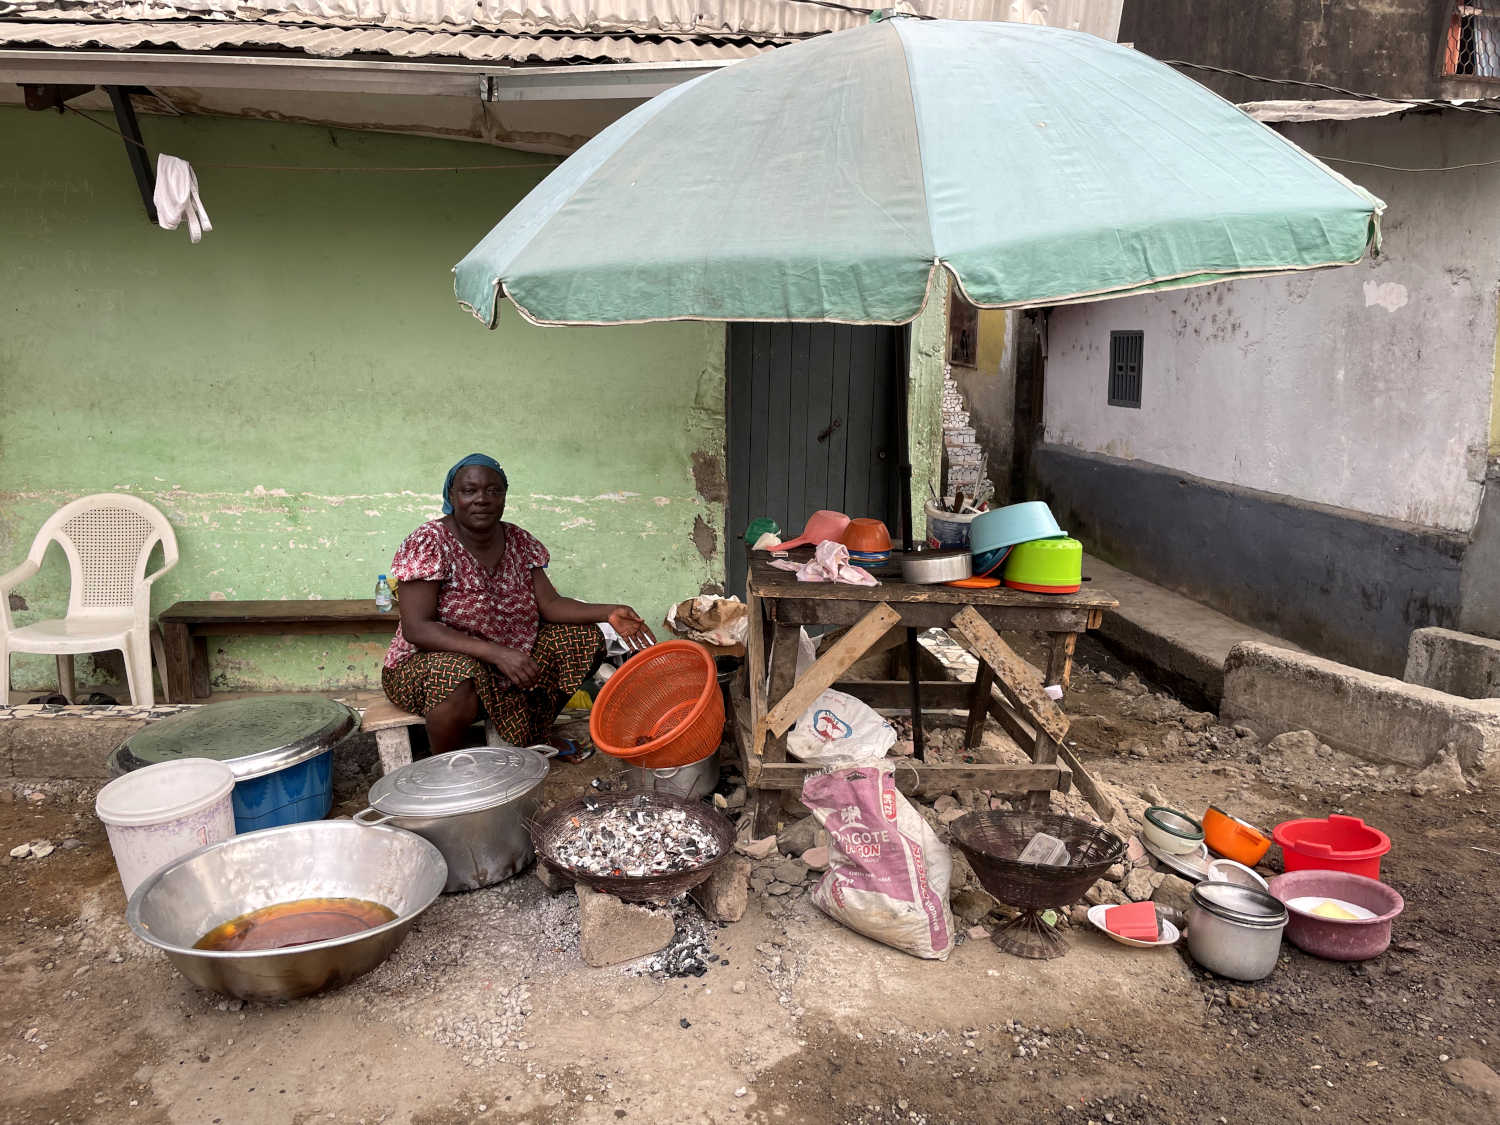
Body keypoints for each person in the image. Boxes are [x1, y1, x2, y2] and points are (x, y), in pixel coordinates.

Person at [381, 454, 654, 757]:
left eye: (493, 491)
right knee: (460, 671)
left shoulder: (519, 541)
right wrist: (498, 653)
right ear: (451, 496)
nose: (482, 499)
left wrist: (608, 612)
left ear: (504, 496)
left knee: (583, 638)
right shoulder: (430, 541)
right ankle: (449, 768)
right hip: (426, 668)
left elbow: (549, 604)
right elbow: (417, 629)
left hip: (500, 664)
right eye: (469, 491)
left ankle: (535, 736)